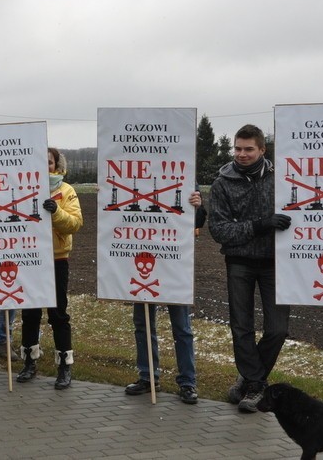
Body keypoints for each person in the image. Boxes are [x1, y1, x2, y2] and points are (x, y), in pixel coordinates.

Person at [208, 124, 291, 413]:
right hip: (239, 262)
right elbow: (219, 230)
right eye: (238, 149)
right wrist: (259, 226)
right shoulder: (222, 184)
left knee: (278, 329)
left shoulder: (282, 180)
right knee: (241, 326)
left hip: (275, 263)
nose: (242, 154)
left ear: (262, 149)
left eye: (248, 149)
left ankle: (248, 379)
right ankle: (257, 387)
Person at [124, 188, 207, 405]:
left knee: (181, 327)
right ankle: (148, 377)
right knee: (143, 324)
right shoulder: (134, 179)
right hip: (143, 256)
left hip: (173, 265)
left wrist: (198, 206)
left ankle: (188, 382)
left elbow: (197, 221)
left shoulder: (183, 174)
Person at [17, 147, 83, 389]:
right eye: (41, 163)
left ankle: (64, 365)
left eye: (50, 162)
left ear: (57, 165)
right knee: (30, 313)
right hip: (31, 259)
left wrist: (55, 212)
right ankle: (29, 362)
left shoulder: (67, 191)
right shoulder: (24, 189)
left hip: (56, 259)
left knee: (58, 314)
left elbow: (75, 224)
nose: (46, 167)